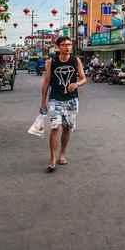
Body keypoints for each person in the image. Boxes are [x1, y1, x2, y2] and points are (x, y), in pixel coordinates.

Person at [40, 36, 87, 173]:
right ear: (58, 47)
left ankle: (62, 154)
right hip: (55, 99)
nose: (67, 47)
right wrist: (43, 101)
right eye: (64, 45)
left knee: (67, 128)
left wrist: (76, 84)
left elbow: (84, 78)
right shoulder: (52, 62)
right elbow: (46, 82)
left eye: (69, 44)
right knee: (55, 127)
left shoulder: (75, 60)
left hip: (72, 100)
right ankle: (52, 158)